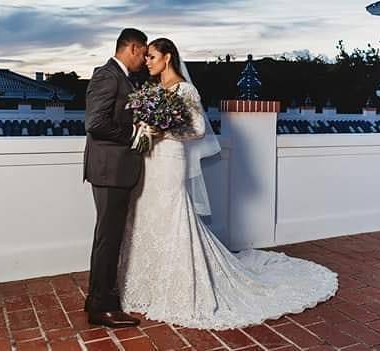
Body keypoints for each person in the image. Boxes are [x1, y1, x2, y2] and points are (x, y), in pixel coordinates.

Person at [118, 38, 338, 330]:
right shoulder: (155, 91)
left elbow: (197, 130)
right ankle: (147, 285)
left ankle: (180, 287)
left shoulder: (186, 89)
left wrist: (163, 129)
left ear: (168, 57)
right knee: (148, 217)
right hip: (152, 161)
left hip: (171, 159)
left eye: (152, 57)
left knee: (172, 218)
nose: (147, 61)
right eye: (145, 57)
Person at [83, 27, 147, 328]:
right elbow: (95, 123)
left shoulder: (123, 78)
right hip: (109, 170)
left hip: (115, 170)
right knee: (108, 239)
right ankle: (103, 309)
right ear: (132, 48)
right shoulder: (108, 75)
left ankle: (97, 300)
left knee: (109, 238)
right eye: (143, 52)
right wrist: (133, 135)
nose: (145, 59)